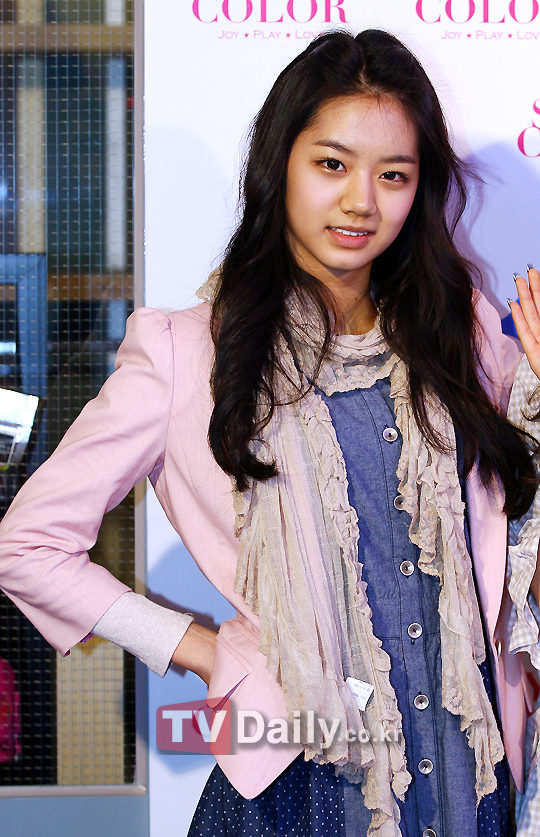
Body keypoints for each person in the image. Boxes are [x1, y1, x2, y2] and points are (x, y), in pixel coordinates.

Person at [0, 28, 539, 837]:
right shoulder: (187, 351)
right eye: (333, 164)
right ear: (280, 163)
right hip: (299, 781)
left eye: (393, 175)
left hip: (470, 775)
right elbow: (27, 543)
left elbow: (518, 539)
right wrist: (201, 648)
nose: (361, 201)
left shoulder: (458, 334)